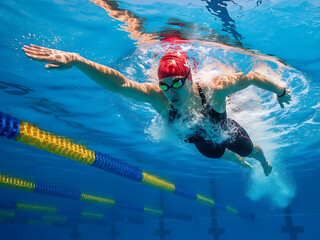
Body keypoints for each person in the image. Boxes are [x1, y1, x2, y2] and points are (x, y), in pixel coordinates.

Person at [22, 44, 291, 176]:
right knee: (220, 155)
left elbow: (253, 76)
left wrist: (279, 90)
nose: (171, 91)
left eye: (177, 83)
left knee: (248, 150)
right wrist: (79, 61)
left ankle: (263, 162)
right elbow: (121, 83)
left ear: (189, 78)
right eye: (164, 85)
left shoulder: (213, 89)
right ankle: (239, 163)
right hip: (200, 140)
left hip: (223, 128)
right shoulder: (157, 97)